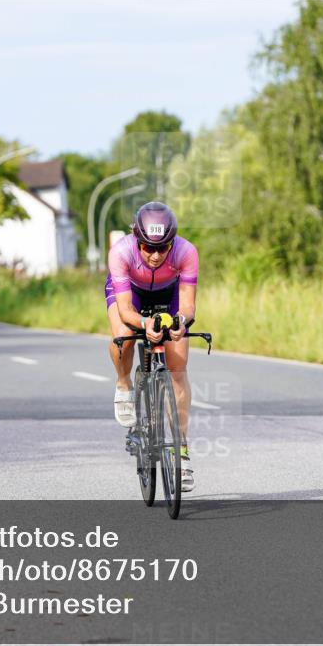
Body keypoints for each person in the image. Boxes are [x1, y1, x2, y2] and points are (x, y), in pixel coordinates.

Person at [105, 201, 198, 491]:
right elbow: (125, 311)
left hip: (169, 293)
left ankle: (180, 451)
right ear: (137, 240)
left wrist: (179, 322)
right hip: (130, 293)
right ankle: (124, 384)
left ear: (173, 242)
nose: (156, 255)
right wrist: (144, 324)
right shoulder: (121, 252)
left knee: (178, 364)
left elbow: (188, 306)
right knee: (123, 336)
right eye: (148, 247)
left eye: (163, 247)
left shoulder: (186, 252)